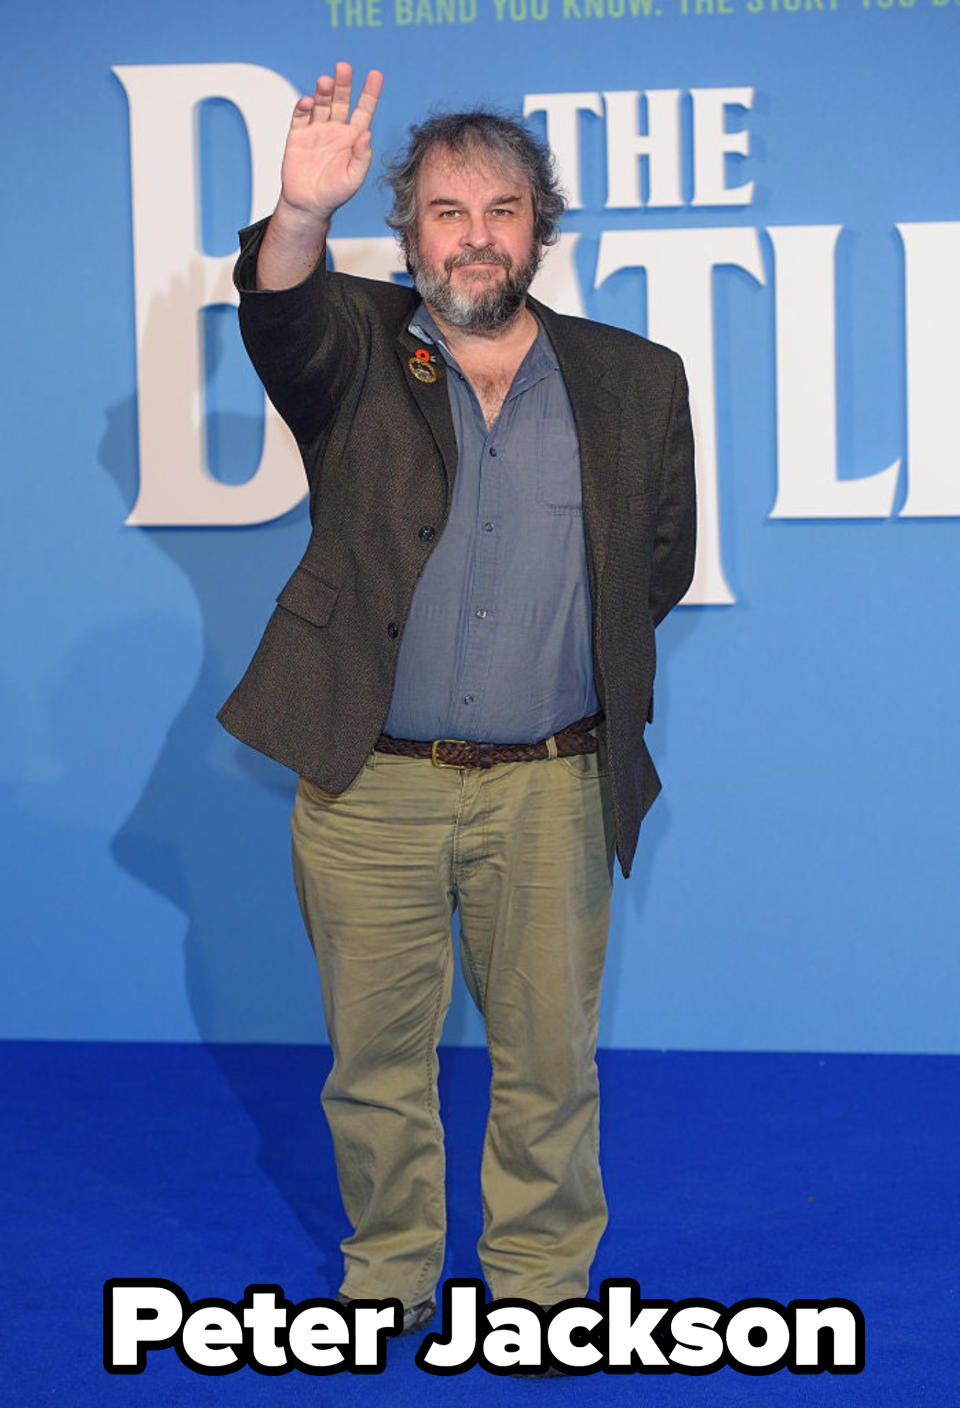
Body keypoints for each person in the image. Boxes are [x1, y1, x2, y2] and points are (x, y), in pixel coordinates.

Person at [218, 62, 696, 1334]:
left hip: (552, 787)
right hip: (368, 785)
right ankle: (387, 1277)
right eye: (445, 210)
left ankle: (540, 1288)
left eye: (500, 209)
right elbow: (279, 317)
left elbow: (658, 565)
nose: (475, 235)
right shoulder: (356, 350)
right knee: (376, 1067)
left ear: (539, 227)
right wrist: (299, 212)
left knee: (550, 1065)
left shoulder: (636, 379)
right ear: (407, 229)